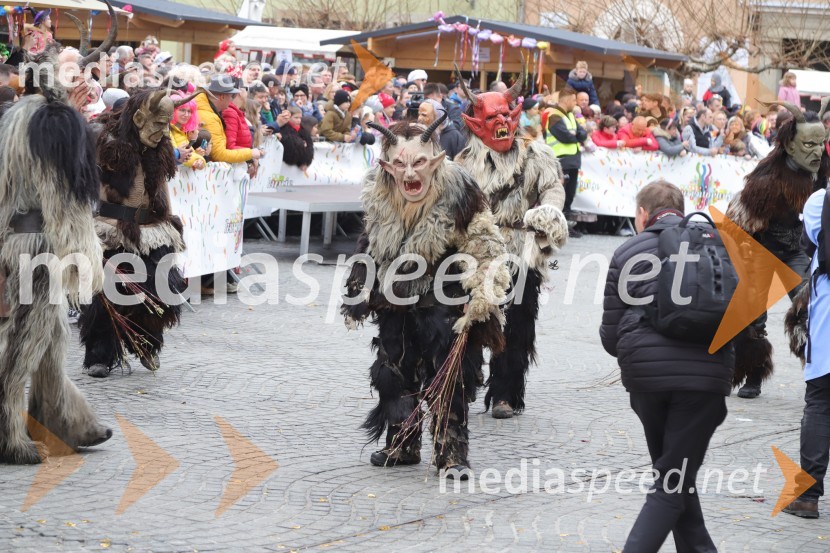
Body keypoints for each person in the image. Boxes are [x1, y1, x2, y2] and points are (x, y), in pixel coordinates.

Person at [342, 118, 510, 477]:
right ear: (387, 166)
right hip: (393, 295)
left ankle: (452, 454)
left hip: (443, 295)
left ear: (434, 161)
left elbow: (484, 241)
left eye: (418, 163)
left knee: (451, 376)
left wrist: (483, 292)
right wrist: (359, 284)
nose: (409, 175)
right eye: (399, 165)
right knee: (393, 371)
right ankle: (401, 444)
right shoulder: (378, 189)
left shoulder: (459, 188)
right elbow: (369, 239)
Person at [601, 179, 733, 552]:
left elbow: (610, 337)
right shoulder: (714, 248)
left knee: (673, 477)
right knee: (674, 479)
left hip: (647, 381)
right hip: (705, 382)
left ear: (643, 215)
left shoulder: (627, 252)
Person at [454, 69, 569, 419]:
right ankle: (467, 378)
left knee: (518, 324)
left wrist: (547, 214)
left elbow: (552, 188)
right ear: (477, 122)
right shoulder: (463, 163)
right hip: (477, 252)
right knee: (470, 318)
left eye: (506, 115)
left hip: (522, 247)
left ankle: (506, 393)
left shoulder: (537, 155)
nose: (501, 122)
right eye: (493, 117)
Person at [81, 89, 194, 378]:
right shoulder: (105, 142)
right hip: (112, 230)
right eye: (157, 124)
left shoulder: (162, 147)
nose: (162, 131)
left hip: (154, 230)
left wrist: (169, 220)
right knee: (106, 293)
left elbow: (160, 187)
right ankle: (100, 355)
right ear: (139, 118)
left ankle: (147, 346)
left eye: (166, 124)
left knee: (159, 292)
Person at [726, 102, 827, 398]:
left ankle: (820, 379)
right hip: (760, 253)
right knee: (751, 319)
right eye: (809, 144)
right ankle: (752, 374)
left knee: (812, 308)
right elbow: (739, 226)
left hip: (796, 252)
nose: (817, 151)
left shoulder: (822, 171)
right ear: (790, 145)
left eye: (822, 143)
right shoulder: (765, 182)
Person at [782, 178, 830, 519]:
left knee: (820, 401)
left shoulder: (819, 201)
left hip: (828, 314)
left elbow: (810, 242)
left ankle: (808, 495)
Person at [545, 86, 587, 237]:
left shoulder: (569, 115)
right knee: (559, 195)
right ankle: (556, 227)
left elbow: (583, 134)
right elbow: (564, 136)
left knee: (569, 196)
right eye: (574, 100)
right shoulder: (553, 114)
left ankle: (565, 227)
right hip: (561, 160)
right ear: (567, 99)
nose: (575, 103)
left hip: (572, 160)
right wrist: (575, 135)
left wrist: (576, 134)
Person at [195, 75, 263, 164]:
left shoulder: (210, 112)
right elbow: (219, 155)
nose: (232, 100)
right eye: (231, 96)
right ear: (222, 97)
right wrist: (251, 153)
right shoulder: (209, 117)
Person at [169, 91, 206, 170]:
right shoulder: (168, 129)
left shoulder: (181, 131)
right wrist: (198, 160)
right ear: (173, 110)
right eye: (182, 110)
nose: (186, 114)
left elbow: (184, 155)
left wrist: (197, 155)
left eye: (189, 111)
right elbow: (180, 154)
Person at [279, 106, 314, 170]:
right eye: (296, 118)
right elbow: (288, 144)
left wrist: (305, 162)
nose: (299, 120)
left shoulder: (303, 129)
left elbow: (309, 144)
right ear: (289, 118)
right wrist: (301, 143)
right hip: (287, 164)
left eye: (300, 118)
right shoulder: (283, 128)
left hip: (300, 164)